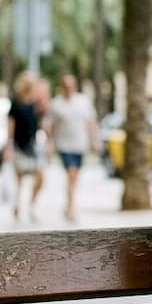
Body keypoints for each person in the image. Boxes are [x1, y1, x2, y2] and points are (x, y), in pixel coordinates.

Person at [46, 73, 100, 220]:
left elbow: (90, 122)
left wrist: (95, 140)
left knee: (74, 177)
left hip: (80, 145)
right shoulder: (56, 104)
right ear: (61, 87)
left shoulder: (83, 101)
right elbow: (51, 126)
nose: (68, 89)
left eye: (71, 86)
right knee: (71, 173)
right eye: (65, 86)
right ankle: (71, 207)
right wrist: (49, 144)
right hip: (64, 145)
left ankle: (69, 202)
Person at [4, 72, 46, 220]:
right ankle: (17, 204)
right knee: (19, 179)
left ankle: (32, 204)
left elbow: (41, 123)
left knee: (41, 177)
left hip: (33, 145)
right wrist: (8, 145)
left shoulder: (36, 104)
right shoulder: (15, 104)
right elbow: (10, 125)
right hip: (19, 145)